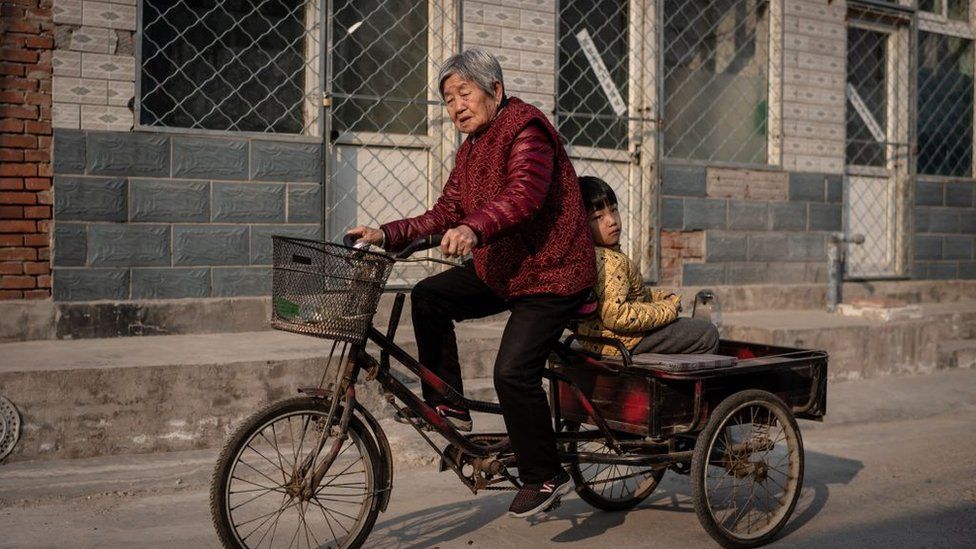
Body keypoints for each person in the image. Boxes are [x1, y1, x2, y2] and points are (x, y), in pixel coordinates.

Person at [346, 49, 596, 518]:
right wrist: (388, 233)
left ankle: (545, 475)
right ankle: (450, 403)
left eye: (464, 93)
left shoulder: (528, 131)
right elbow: (445, 213)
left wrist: (476, 228)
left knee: (511, 372)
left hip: (552, 274)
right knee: (430, 297)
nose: (456, 105)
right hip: (505, 269)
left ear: (495, 91)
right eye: (448, 99)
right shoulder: (472, 147)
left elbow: (523, 195)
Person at [574, 176, 719, 357]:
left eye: (614, 210)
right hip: (622, 340)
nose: (612, 220)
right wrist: (667, 309)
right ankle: (678, 385)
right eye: (598, 217)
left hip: (598, 338)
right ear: (581, 225)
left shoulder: (589, 254)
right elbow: (617, 315)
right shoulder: (608, 260)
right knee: (707, 333)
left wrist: (659, 297)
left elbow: (626, 295)